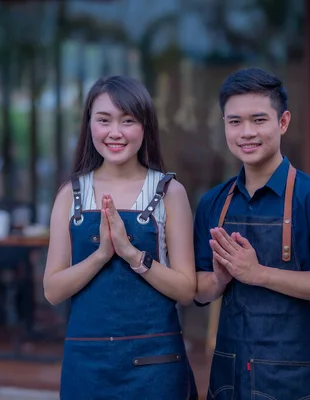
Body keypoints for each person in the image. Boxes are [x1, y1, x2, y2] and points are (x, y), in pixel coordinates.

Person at [193, 68, 310, 400]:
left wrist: (259, 274)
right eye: (235, 122)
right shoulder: (212, 203)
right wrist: (217, 280)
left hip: (293, 374)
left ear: (283, 122)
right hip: (228, 374)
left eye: (259, 120)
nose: (246, 132)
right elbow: (198, 293)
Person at [43, 75, 198, 399]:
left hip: (156, 365)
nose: (115, 132)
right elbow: (53, 290)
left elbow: (186, 290)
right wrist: (101, 255)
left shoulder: (169, 193)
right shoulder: (69, 195)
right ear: (90, 126)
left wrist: (132, 255)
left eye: (128, 121)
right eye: (104, 120)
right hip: (86, 366)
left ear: (145, 127)